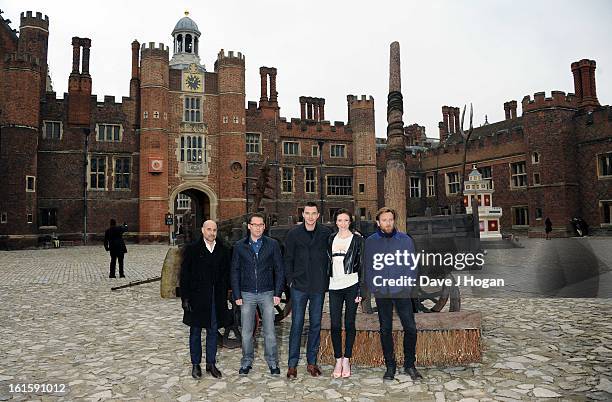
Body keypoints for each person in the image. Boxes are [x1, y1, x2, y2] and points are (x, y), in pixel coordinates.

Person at [364, 207, 423, 381]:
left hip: (401, 290)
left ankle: (409, 365)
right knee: (385, 329)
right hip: (382, 291)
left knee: (410, 328)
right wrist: (374, 287)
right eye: (384, 220)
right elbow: (368, 266)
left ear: (393, 220)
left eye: (390, 219)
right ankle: (390, 366)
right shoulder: (371, 241)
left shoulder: (405, 240)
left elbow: (412, 266)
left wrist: (407, 285)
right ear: (378, 222)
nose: (388, 223)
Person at [231, 213, 285, 376]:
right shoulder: (240, 246)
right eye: (254, 225)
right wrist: (237, 294)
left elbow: (279, 269)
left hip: (267, 293)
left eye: (261, 225)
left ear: (264, 226)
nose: (258, 228)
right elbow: (235, 271)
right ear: (249, 226)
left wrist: (278, 292)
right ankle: (246, 361)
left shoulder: (272, 244)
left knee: (269, 331)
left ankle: (273, 362)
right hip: (246, 294)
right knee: (247, 332)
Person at [284, 202, 332, 379]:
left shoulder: (326, 233)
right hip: (299, 285)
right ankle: (292, 364)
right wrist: (290, 280)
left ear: (318, 215)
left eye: (314, 213)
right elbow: (287, 258)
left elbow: (337, 248)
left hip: (318, 285)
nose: (310, 216)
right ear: (302, 215)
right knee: (296, 324)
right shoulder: (293, 234)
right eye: (307, 213)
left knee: (315, 324)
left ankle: (312, 362)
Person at [180, 220, 231, 380]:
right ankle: (196, 364)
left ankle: (211, 363)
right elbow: (184, 275)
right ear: (203, 230)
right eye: (209, 229)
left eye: (214, 230)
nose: (212, 233)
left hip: (215, 298)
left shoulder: (223, 250)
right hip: (197, 298)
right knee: (195, 332)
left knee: (213, 331)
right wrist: (185, 297)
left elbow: (226, 275)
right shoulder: (192, 250)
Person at [327, 209, 364, 378]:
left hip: (351, 285)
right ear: (336, 222)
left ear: (350, 222)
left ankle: (347, 358)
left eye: (346, 220)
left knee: (349, 323)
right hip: (334, 286)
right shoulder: (330, 239)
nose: (343, 223)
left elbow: (363, 265)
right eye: (340, 220)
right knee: (335, 324)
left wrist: (361, 289)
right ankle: (338, 359)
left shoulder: (357, 240)